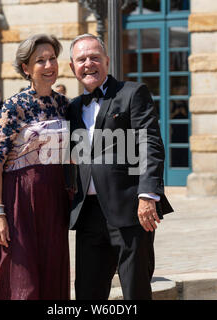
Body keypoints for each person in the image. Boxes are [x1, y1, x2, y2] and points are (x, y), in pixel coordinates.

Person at [67, 34, 174, 300]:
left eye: (94, 57)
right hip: (87, 215)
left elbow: (150, 144)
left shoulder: (132, 93)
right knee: (87, 293)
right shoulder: (72, 107)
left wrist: (148, 195)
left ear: (106, 61)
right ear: (72, 67)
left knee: (135, 291)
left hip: (131, 212)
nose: (88, 64)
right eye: (81, 59)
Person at [0, 34, 71, 300]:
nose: (48, 65)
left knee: (52, 276)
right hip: (18, 201)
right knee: (23, 282)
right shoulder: (14, 106)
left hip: (54, 200)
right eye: (40, 61)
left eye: (52, 58)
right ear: (26, 69)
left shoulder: (65, 105)